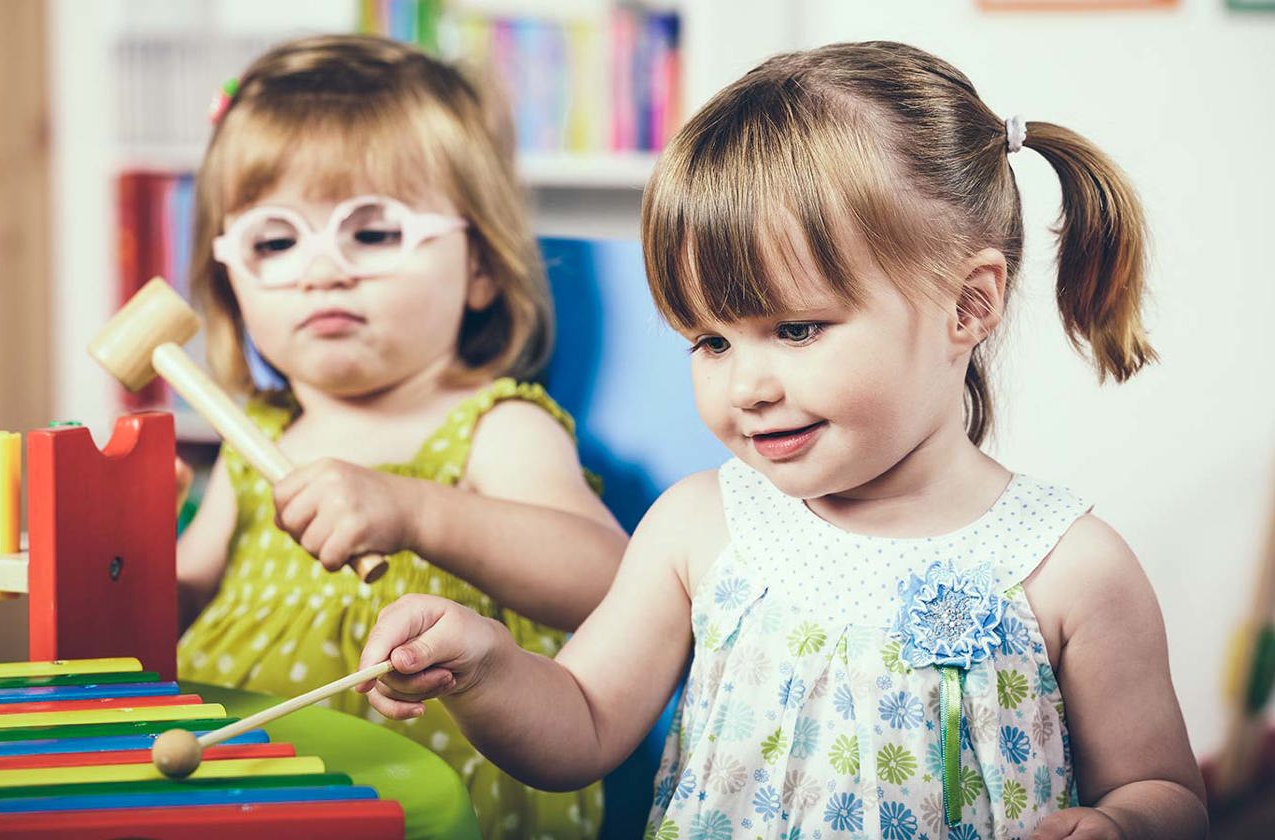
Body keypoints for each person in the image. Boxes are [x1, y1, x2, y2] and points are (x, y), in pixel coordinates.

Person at [356, 42, 1207, 839]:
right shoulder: (700, 528)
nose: (746, 386)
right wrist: (488, 668)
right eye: (711, 341)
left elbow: (1164, 790)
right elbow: (578, 721)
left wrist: (1123, 822)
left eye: (796, 329)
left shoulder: (1070, 566)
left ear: (969, 305)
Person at [174, 34, 626, 839]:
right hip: (245, 791)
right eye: (275, 242)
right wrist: (120, 541)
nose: (323, 270)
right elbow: (177, 601)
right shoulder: (258, 440)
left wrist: (415, 511)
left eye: (373, 233)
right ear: (228, 280)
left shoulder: (494, 425)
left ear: (482, 265)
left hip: (433, 807)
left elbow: (610, 585)